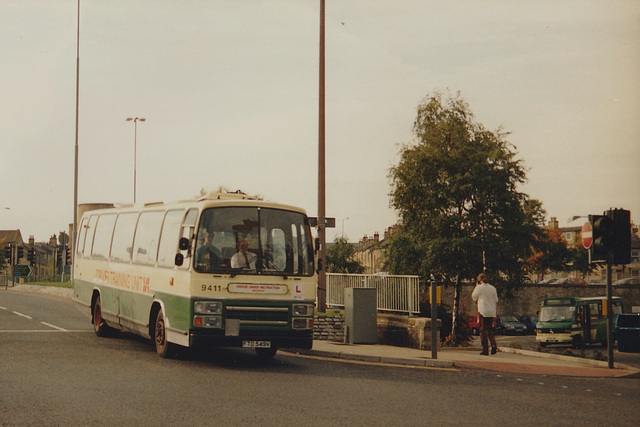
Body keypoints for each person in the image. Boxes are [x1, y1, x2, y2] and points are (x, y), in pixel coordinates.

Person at [471, 273, 499, 356]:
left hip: (483, 311)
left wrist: (476, 286)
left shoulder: (479, 287)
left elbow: (474, 297)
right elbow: (496, 300)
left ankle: (485, 349)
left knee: (482, 330)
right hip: (492, 312)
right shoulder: (493, 288)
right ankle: (494, 344)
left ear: (479, 280)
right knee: (489, 330)